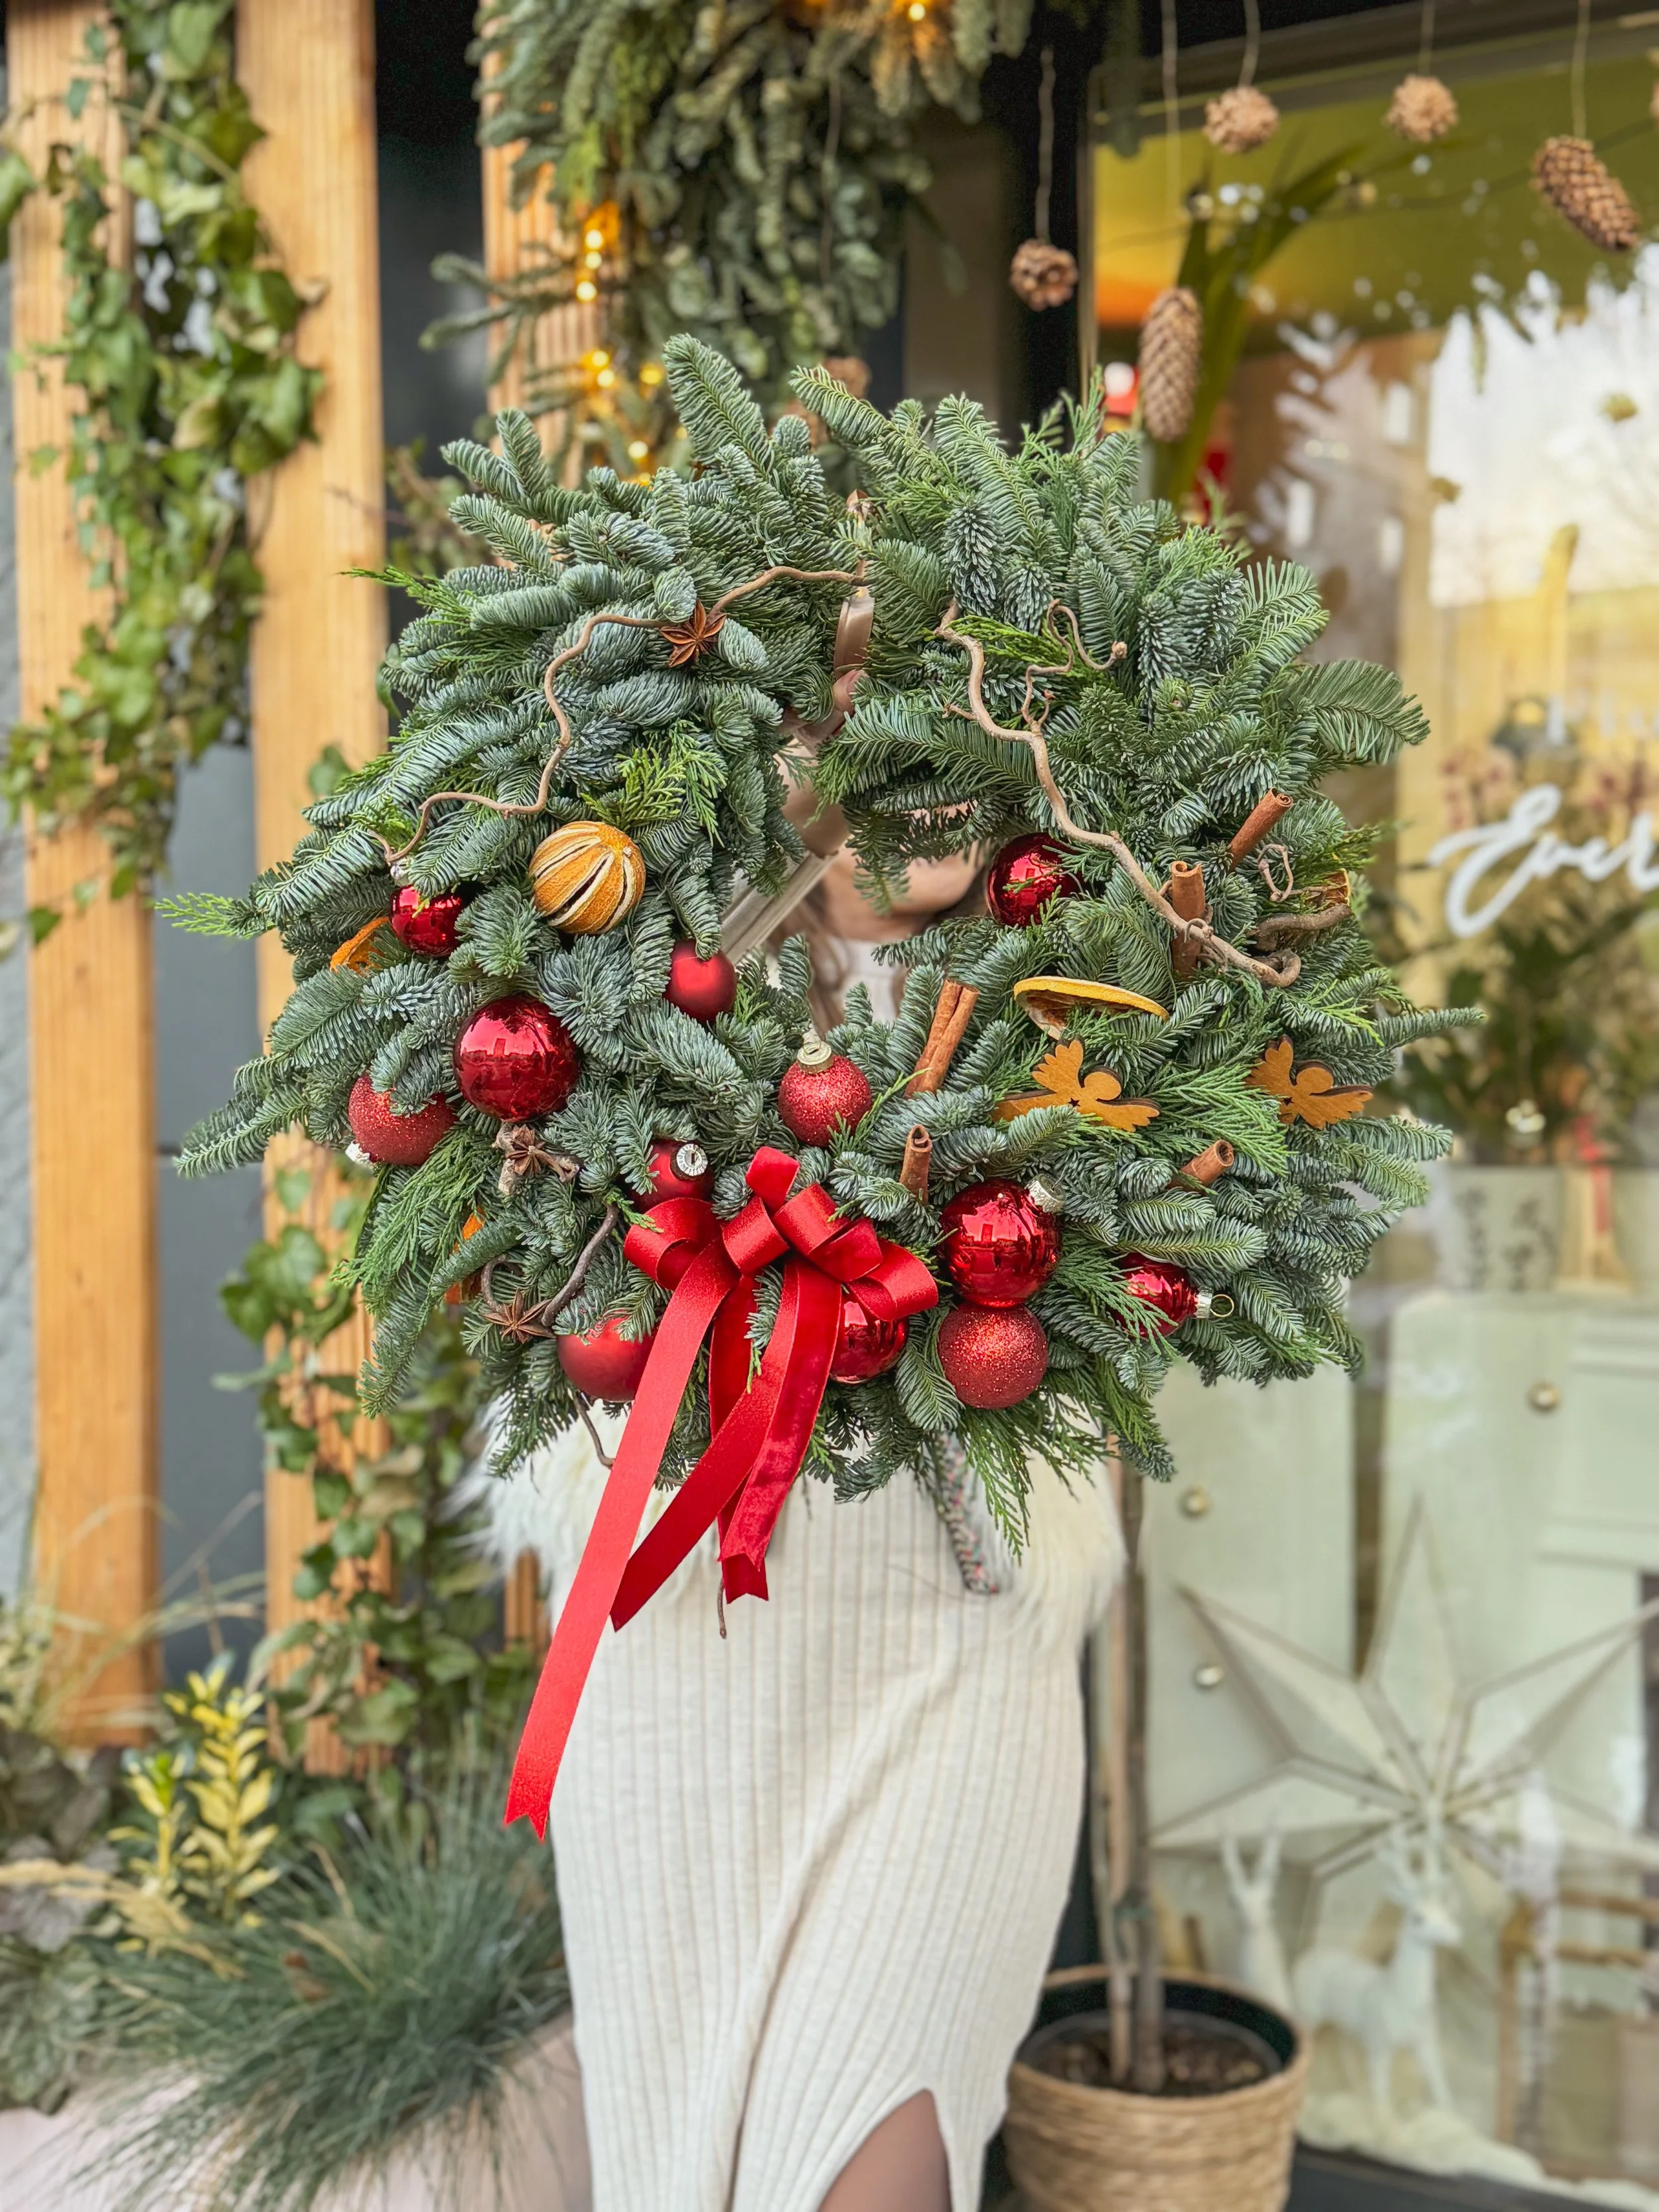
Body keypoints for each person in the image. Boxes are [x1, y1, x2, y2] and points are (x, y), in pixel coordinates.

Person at [482, 842, 1123, 2212]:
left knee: (873, 2154)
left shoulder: (1087, 934)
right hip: (680, 1638)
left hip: (955, 1631)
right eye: (849, 666)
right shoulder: (621, 928)